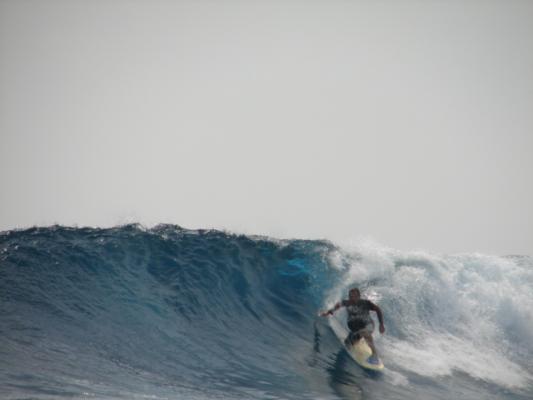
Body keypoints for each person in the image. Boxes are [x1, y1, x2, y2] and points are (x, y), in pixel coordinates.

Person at [320, 288, 385, 364]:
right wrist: (328, 312)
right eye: (350, 296)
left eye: (354, 296)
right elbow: (337, 306)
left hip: (368, 325)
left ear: (358, 296)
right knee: (348, 344)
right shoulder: (346, 303)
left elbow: (378, 309)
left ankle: (374, 356)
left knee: (365, 332)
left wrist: (381, 324)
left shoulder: (366, 303)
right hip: (356, 330)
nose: (352, 298)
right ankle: (359, 340)